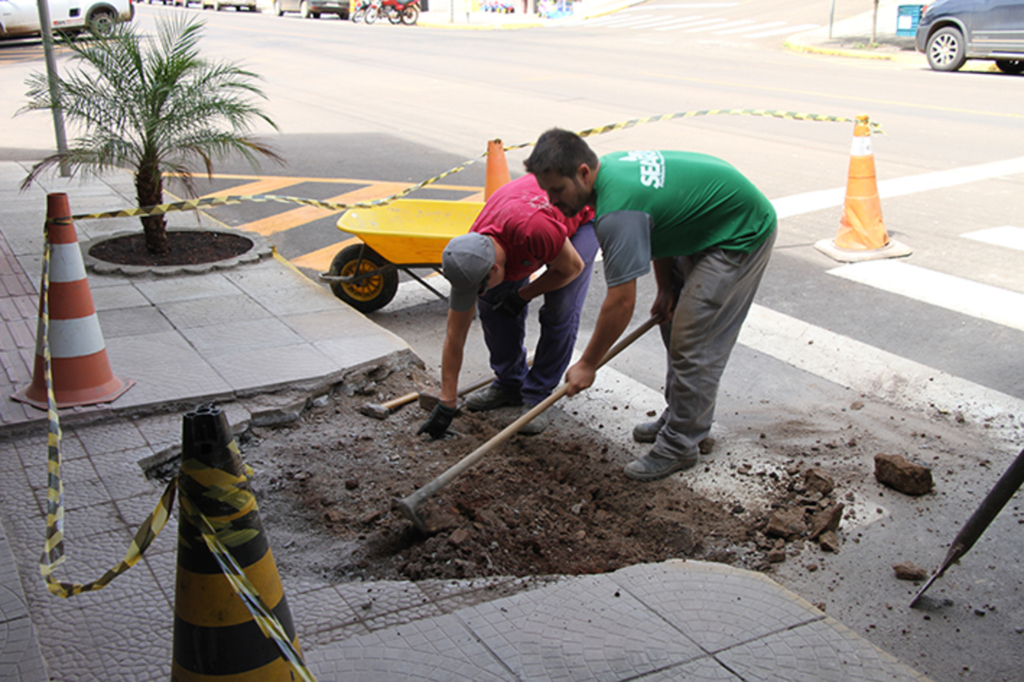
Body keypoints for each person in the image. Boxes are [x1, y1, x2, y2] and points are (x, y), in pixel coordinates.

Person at [524, 128, 777, 482]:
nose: (552, 200)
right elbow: (660, 227)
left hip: (738, 231)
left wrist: (588, 364)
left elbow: (621, 301)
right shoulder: (607, 173)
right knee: (673, 324)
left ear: (582, 172)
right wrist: (666, 288)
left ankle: (680, 445)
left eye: (557, 190)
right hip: (701, 226)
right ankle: (682, 419)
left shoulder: (617, 210)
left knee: (693, 340)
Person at [417, 173, 598, 439]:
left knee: (561, 308)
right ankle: (509, 383)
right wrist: (447, 401)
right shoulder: (470, 253)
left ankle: (537, 396)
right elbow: (455, 336)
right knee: (492, 302)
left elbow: (572, 268)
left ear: (494, 267)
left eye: (482, 283)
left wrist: (523, 294)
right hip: (524, 219)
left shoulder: (532, 231)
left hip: (578, 215)